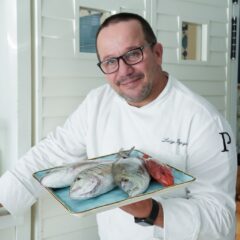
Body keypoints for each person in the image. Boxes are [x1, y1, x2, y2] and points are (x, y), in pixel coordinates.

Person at [0, 12, 237, 240]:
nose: (124, 71)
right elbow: (52, 152)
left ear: (157, 53)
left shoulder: (204, 121)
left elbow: (221, 219)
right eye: (110, 61)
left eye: (133, 54)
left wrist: (152, 212)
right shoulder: (98, 102)